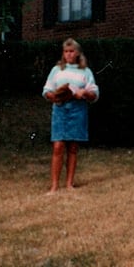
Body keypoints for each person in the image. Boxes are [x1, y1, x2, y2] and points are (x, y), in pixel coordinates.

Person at [42, 38, 99, 194]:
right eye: (66, 51)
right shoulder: (57, 70)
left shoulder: (85, 72)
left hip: (78, 110)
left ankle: (69, 184)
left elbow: (94, 94)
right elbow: (46, 90)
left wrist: (85, 92)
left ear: (78, 53)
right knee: (58, 146)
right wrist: (53, 96)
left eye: (71, 51)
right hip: (60, 110)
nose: (68, 54)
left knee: (73, 147)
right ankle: (54, 186)